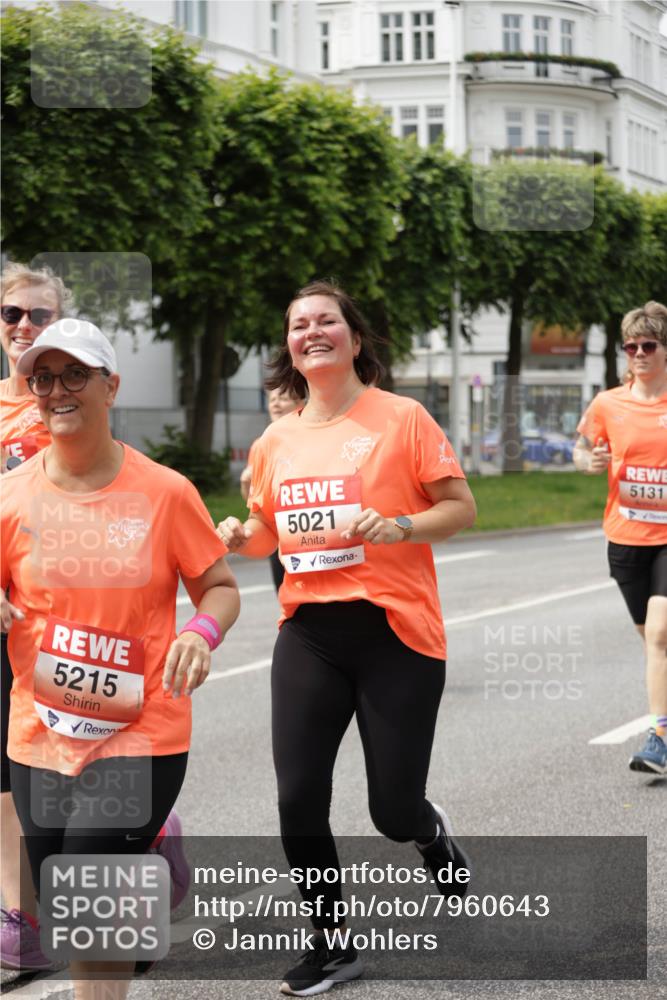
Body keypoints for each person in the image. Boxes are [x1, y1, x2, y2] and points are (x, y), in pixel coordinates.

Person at [217, 280, 476, 996]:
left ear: (354, 339)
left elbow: (460, 506)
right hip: (309, 632)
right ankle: (333, 944)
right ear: (290, 349)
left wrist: (401, 527)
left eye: (325, 320)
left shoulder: (402, 419)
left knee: (390, 812)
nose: (311, 331)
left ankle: (426, 831)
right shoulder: (276, 440)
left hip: (395, 631)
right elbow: (272, 528)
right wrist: (244, 537)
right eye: (298, 324)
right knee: (297, 796)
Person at [0, 318, 240, 999]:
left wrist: (200, 633)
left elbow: (219, 588)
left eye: (74, 374)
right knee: (64, 899)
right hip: (39, 734)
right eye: (42, 378)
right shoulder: (10, 497)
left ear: (111, 385)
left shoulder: (164, 493)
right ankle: (153, 858)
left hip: (141, 731)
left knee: (87, 902)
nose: (56, 390)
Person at [0, 263, 70, 970]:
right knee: (1, 774)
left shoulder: (68, 401)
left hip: (61, 618)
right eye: (12, 314)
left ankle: (153, 827)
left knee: (72, 764)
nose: (24, 327)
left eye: (39, 315)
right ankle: (25, 920)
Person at [574, 301, 667, 776]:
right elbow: (583, 447)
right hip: (626, 536)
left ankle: (660, 738)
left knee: (659, 633)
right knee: (650, 639)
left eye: (649, 345)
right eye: (631, 346)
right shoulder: (609, 403)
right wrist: (585, 461)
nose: (639, 353)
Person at [240, 388, 305, 592]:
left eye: (283, 399)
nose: (275, 404)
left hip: (307, 532)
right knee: (284, 593)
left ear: (300, 404)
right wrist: (245, 484)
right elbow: (254, 505)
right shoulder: (261, 445)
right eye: (272, 399)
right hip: (276, 534)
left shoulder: (310, 439)